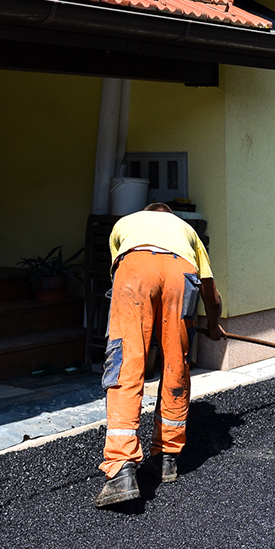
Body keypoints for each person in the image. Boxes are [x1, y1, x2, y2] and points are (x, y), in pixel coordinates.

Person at [94, 202, 222, 508]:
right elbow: (211, 293)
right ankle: (166, 458)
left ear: (147, 212)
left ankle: (121, 468)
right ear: (169, 216)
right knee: (177, 362)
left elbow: (120, 272)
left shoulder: (125, 223)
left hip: (135, 269)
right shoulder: (187, 231)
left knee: (127, 363)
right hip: (181, 273)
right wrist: (214, 326)